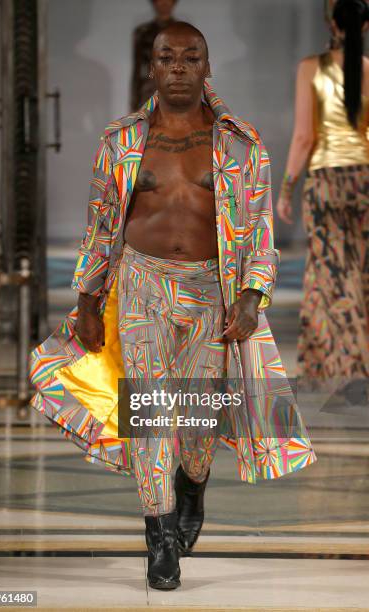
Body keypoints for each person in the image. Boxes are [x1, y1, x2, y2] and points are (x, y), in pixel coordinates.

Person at [30, 22, 317, 591]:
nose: (180, 66)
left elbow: (258, 229)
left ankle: (193, 482)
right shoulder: (122, 140)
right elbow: (103, 223)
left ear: (207, 67)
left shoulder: (240, 142)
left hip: (212, 289)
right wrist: (88, 299)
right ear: (152, 68)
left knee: (198, 423)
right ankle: (159, 533)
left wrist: (253, 294)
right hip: (142, 284)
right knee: (153, 413)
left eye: (191, 57)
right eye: (168, 57)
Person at [276, 0, 369, 391]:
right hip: (364, 182)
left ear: (330, 21)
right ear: (364, 27)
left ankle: (352, 373)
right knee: (355, 276)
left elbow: (304, 137)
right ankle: (325, 371)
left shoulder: (310, 68)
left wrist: (286, 188)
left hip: (325, 184)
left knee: (331, 276)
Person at [130, 0, 178, 111]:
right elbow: (137, 70)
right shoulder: (142, 32)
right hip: (148, 91)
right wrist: (134, 102)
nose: (164, 3)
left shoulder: (184, 32)